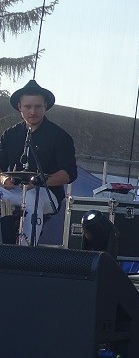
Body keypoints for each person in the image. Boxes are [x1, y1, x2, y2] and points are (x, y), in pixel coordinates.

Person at [0, 79, 77, 245]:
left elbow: (69, 173)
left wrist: (41, 181)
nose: (33, 111)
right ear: (19, 107)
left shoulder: (59, 136)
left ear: (45, 106)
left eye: (38, 107)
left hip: (47, 194)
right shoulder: (9, 135)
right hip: (15, 191)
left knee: (33, 198)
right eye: (28, 107)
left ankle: (26, 251)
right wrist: (5, 179)